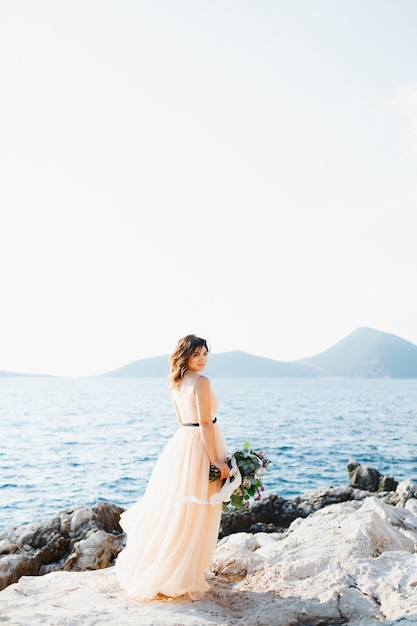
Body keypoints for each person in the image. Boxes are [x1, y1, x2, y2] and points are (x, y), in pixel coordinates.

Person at [114, 334, 230, 601]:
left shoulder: (176, 382)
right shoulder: (201, 382)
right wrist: (215, 460)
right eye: (196, 354)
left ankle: (175, 567)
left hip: (182, 444)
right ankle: (184, 571)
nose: (202, 359)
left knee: (178, 507)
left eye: (205, 354)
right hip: (202, 445)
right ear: (186, 356)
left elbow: (181, 420)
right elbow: (205, 423)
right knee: (198, 507)